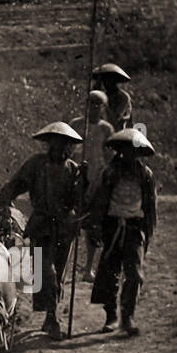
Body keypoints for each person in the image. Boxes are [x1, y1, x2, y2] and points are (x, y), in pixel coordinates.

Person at [0, 122, 84, 341]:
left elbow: (80, 201)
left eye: (63, 144)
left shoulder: (74, 170)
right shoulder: (35, 164)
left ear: (69, 147)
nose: (58, 148)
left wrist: (84, 181)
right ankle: (53, 321)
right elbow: (16, 184)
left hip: (64, 228)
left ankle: (51, 315)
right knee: (46, 272)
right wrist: (3, 201)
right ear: (48, 144)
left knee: (59, 273)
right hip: (41, 225)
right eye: (54, 143)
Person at [86, 128, 157, 336]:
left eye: (133, 152)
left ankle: (127, 316)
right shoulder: (109, 173)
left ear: (139, 154)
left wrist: (148, 232)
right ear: (120, 151)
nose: (129, 155)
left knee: (134, 274)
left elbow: (151, 207)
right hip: (112, 225)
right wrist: (96, 226)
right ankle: (111, 316)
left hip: (135, 227)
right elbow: (99, 201)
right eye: (126, 151)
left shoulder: (145, 175)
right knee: (110, 271)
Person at [72, 89, 113, 282]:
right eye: (91, 104)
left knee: (93, 225)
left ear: (103, 108)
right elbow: (69, 150)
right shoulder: (77, 125)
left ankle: (88, 268)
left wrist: (103, 177)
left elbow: (109, 156)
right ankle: (67, 267)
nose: (94, 108)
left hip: (97, 179)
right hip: (76, 177)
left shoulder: (106, 129)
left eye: (98, 105)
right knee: (70, 221)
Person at [90, 63, 133, 128]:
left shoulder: (123, 97)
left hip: (120, 131)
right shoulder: (104, 95)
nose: (106, 83)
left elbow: (115, 120)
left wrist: (104, 103)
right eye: (104, 80)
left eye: (109, 80)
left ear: (115, 80)